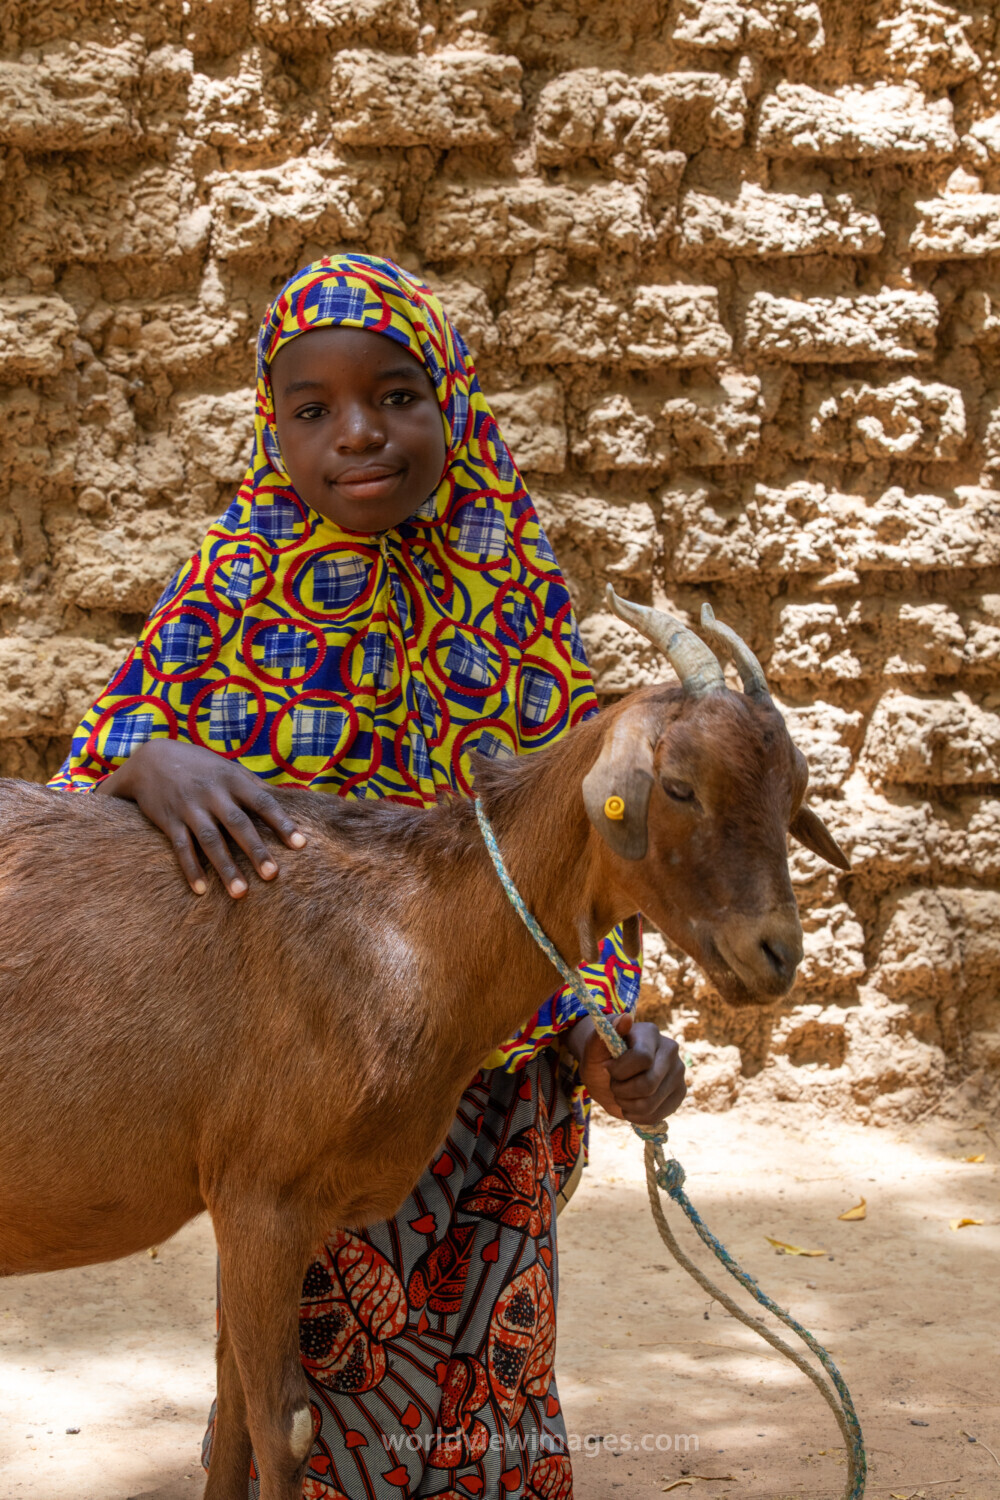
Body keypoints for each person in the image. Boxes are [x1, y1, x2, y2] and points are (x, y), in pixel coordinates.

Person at [51, 253, 686, 1499]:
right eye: (311, 409)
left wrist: (616, 1036)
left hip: (497, 1096)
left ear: (450, 400)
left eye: (396, 395)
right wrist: (146, 765)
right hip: (303, 1084)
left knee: (490, 1390)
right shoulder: (227, 598)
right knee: (318, 1392)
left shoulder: (515, 606)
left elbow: (581, 867)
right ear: (269, 425)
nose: (358, 435)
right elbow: (83, 801)